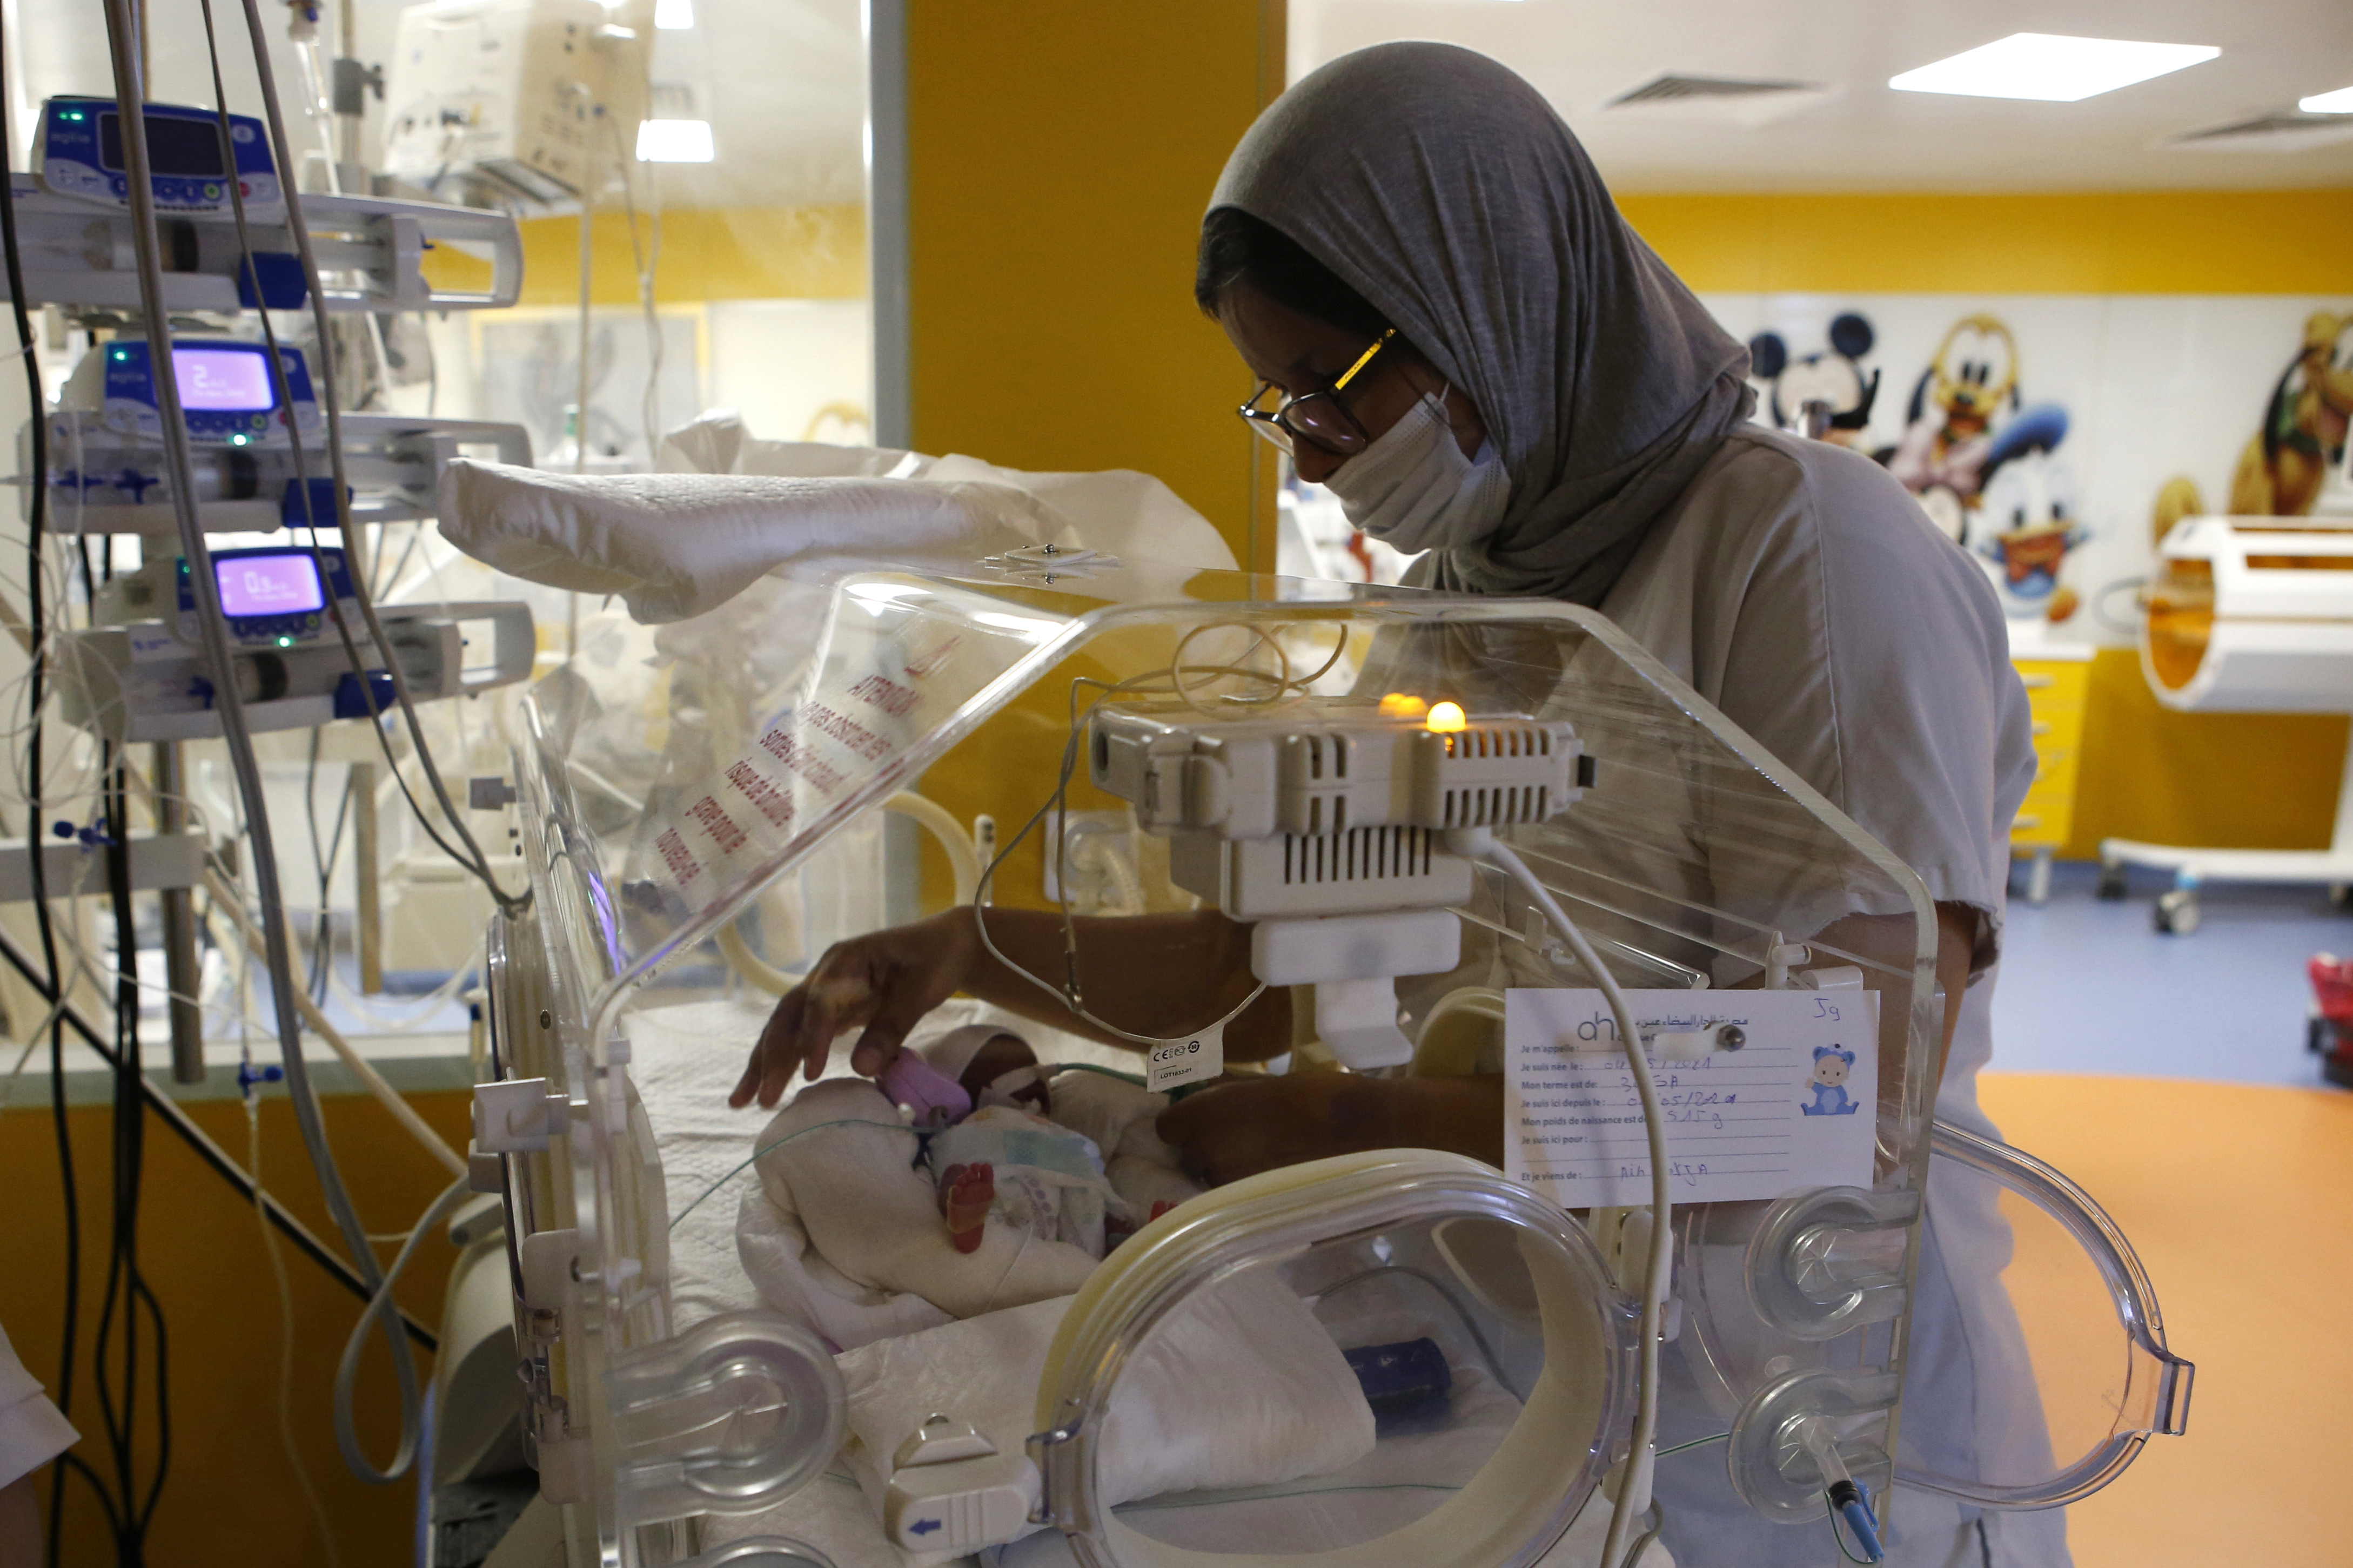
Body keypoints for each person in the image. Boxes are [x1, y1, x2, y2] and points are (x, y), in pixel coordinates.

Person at [733, 41, 2052, 1568]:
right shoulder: (1464, 604)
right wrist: (966, 948)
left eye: (1331, 388)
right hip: (1544, 1353)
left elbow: (1846, 1080)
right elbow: (1261, 950)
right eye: (1276, 404)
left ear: (1484, 299)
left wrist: (1357, 1123)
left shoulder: (1807, 555)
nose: (1308, 444)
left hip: (1805, 1386)